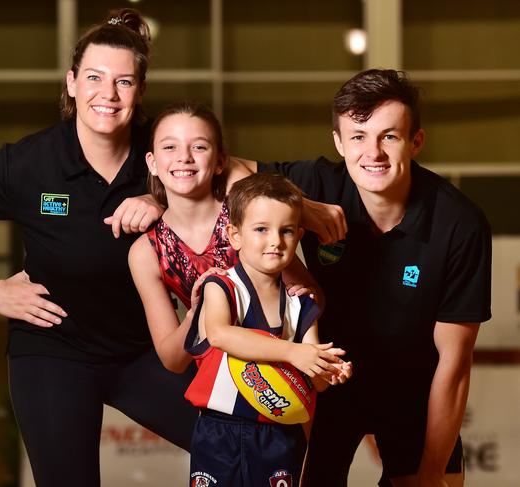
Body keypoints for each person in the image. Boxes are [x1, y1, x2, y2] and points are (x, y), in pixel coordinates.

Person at [0, 8, 198, 487]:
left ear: (140, 92)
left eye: (124, 82)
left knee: (241, 443)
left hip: (144, 351)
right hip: (54, 353)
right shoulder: (29, 162)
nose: (108, 93)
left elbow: (234, 181)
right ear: (72, 83)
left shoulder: (165, 153)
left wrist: (163, 197)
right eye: (95, 78)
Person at [236, 69, 492, 487]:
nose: (372, 152)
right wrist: (303, 207)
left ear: (416, 142)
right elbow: (220, 167)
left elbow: (455, 363)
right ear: (338, 142)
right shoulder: (319, 183)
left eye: (389, 136)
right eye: (357, 136)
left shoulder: (458, 223)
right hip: (327, 381)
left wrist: (430, 476)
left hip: (413, 390)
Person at [129, 101, 347, 381]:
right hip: (221, 385)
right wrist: (198, 312)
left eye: (199, 147)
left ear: (221, 161)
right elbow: (172, 360)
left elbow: (312, 298)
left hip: (282, 376)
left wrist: (301, 306)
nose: (184, 157)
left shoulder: (246, 217)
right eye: (170, 147)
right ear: (152, 162)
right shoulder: (146, 251)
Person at [184, 172, 352, 487]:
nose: (276, 240)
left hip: (280, 433)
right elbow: (221, 334)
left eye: (286, 231)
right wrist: (293, 351)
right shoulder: (221, 287)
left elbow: (316, 379)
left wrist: (329, 370)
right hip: (220, 430)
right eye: (261, 229)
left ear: (299, 236)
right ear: (235, 235)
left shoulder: (302, 307)